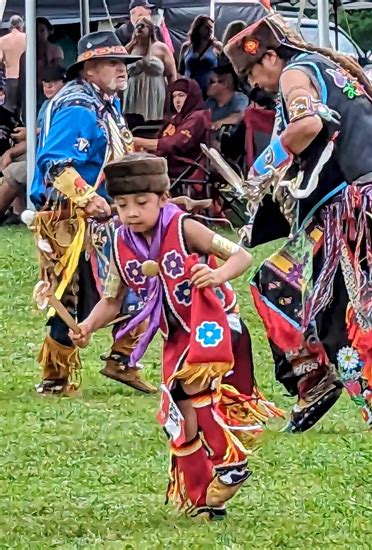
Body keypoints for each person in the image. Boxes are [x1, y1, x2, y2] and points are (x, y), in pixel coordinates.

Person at [223, 13, 372, 432]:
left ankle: (316, 380)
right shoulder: (336, 68)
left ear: (267, 57)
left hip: (349, 211)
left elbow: (308, 124)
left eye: (250, 74)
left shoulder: (294, 73)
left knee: (288, 293)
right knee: (337, 316)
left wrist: (266, 164)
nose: (254, 86)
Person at [70, 153, 281, 518]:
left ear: (163, 199)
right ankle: (202, 499)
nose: (132, 212)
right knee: (181, 419)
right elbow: (112, 299)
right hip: (176, 337)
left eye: (141, 203)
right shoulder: (122, 243)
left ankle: (231, 462)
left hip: (214, 326)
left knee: (189, 389)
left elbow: (240, 256)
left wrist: (216, 276)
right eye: (122, 205)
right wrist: (87, 326)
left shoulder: (184, 228)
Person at [28, 31, 157, 396]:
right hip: (68, 215)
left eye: (123, 63)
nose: (122, 70)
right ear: (89, 69)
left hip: (105, 214)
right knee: (71, 294)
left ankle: (122, 360)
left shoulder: (103, 104)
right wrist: (85, 197)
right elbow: (54, 163)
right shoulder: (77, 107)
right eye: (113, 63)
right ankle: (55, 376)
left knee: (136, 279)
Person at [0, 64, 67, 226]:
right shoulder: (46, 105)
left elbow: (53, 134)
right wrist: (11, 152)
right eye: (45, 83)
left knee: (15, 171)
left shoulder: (68, 104)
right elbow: (35, 139)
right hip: (40, 151)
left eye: (53, 82)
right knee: (8, 158)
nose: (48, 87)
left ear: (65, 83)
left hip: (58, 160)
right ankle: (18, 211)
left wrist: (31, 132)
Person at [134, 78, 211, 179]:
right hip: (167, 163)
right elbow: (162, 137)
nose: (177, 101)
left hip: (184, 167)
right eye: (174, 96)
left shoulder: (199, 117)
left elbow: (175, 143)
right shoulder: (178, 117)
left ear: (191, 96)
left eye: (181, 95)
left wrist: (138, 141)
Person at [124, 16, 176, 123]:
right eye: (137, 26)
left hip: (155, 91)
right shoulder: (130, 48)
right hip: (134, 92)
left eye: (142, 26)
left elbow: (172, 76)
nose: (139, 28)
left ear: (150, 29)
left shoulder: (161, 48)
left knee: (154, 125)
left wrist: (171, 103)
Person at [17, 18, 64, 119]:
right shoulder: (26, 54)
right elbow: (22, 78)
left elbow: (57, 72)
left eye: (42, 30)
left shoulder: (54, 50)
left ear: (49, 31)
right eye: (34, 30)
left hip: (48, 90)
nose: (38, 34)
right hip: (30, 91)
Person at [178, 16, 221, 99]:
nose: (210, 30)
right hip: (190, 90)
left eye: (211, 28)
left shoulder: (216, 47)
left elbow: (223, 69)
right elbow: (180, 71)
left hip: (210, 92)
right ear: (198, 28)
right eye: (206, 27)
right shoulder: (187, 46)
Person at [206, 57, 249, 130]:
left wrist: (217, 124)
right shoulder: (210, 102)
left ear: (224, 84)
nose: (207, 84)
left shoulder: (239, 98)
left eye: (211, 82)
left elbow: (239, 116)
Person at [0, 15, 26, 113]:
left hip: (11, 78)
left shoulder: (2, 40)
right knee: (27, 109)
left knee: (9, 110)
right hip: (27, 78)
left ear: (10, 26)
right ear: (21, 26)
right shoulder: (27, 38)